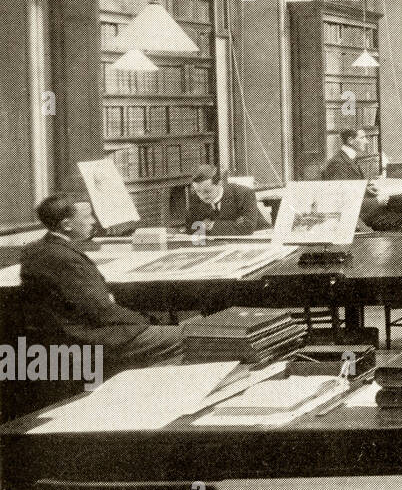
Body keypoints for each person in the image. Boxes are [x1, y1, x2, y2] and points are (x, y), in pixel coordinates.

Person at [19, 194, 181, 399]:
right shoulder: (65, 258)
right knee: (188, 339)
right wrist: (145, 321)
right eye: (87, 217)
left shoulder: (37, 249)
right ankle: (145, 397)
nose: (93, 221)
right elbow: (102, 310)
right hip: (89, 337)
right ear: (67, 224)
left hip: (61, 336)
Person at [181, 165, 267, 236]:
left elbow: (247, 227)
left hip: (258, 239)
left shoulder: (244, 193)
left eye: (207, 191)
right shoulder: (197, 197)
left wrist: (212, 225)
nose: (202, 196)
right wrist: (232, 224)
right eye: (198, 191)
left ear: (219, 184)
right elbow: (190, 227)